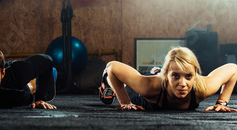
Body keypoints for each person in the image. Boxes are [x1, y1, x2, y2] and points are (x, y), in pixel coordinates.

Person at [99, 47, 237, 111]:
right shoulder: (148, 87)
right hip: (144, 96)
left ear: (195, 75)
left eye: (188, 76)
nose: (182, 84)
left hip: (162, 77)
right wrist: (125, 102)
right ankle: (106, 81)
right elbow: (112, 67)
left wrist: (222, 102)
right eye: (175, 76)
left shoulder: (204, 87)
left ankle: (158, 71)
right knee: (120, 82)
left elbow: (233, 69)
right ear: (166, 76)